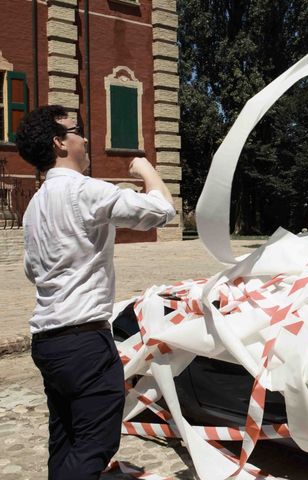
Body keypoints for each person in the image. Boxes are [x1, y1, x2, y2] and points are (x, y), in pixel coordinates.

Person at [16, 105, 176, 479]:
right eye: (79, 130)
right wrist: (145, 169)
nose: (86, 138)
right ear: (60, 142)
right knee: (94, 445)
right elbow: (162, 211)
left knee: (66, 440)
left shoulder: (34, 206)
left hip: (47, 342)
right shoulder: (84, 190)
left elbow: (30, 269)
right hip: (84, 342)